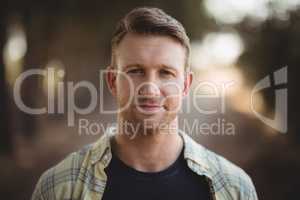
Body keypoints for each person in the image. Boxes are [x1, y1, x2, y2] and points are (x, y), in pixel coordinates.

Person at [32, 7, 258, 200]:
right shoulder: (56, 188)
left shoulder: (236, 188)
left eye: (166, 73)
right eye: (135, 71)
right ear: (113, 81)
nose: (149, 89)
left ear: (186, 85)